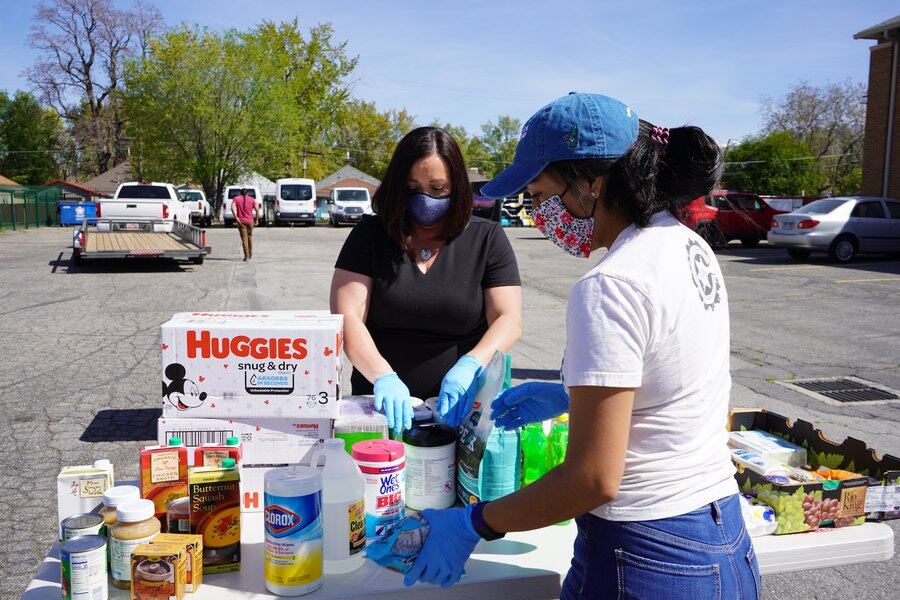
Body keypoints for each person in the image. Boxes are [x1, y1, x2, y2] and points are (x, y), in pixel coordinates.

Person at [403, 93, 761, 599]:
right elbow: (672, 379)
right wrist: (574, 397)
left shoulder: (611, 284)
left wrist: (474, 523)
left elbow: (592, 479)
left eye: (543, 193)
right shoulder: (688, 245)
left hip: (647, 553)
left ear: (592, 182)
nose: (542, 212)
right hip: (722, 535)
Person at [330, 127, 522, 433]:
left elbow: (508, 319)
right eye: (411, 188)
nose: (424, 198)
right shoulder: (369, 236)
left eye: (437, 188)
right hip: (381, 408)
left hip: (462, 408)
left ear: (456, 187)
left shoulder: (486, 238)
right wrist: (382, 376)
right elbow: (347, 317)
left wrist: (471, 364)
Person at [232, 188, 258, 261]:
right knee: (249, 237)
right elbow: (257, 210)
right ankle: (250, 253)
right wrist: (257, 219)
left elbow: (232, 207)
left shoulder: (236, 199)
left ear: (240, 193)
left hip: (241, 221)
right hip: (250, 221)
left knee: (244, 239)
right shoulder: (252, 199)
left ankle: (246, 256)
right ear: (247, 193)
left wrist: (236, 217)